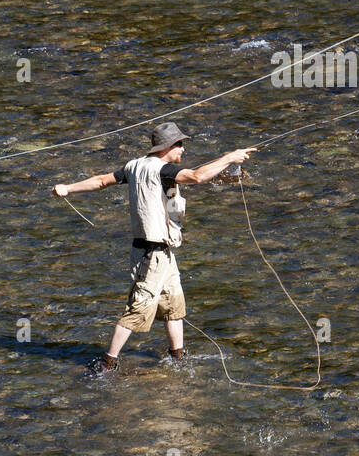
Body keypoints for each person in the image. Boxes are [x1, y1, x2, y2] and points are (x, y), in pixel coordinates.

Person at [52, 122, 255, 373]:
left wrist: (68, 188)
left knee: (173, 304)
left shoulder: (133, 166)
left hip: (163, 252)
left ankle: (178, 358)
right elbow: (197, 177)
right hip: (150, 253)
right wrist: (229, 157)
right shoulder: (164, 170)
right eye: (179, 144)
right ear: (167, 147)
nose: (182, 149)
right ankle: (106, 365)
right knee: (137, 308)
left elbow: (102, 181)